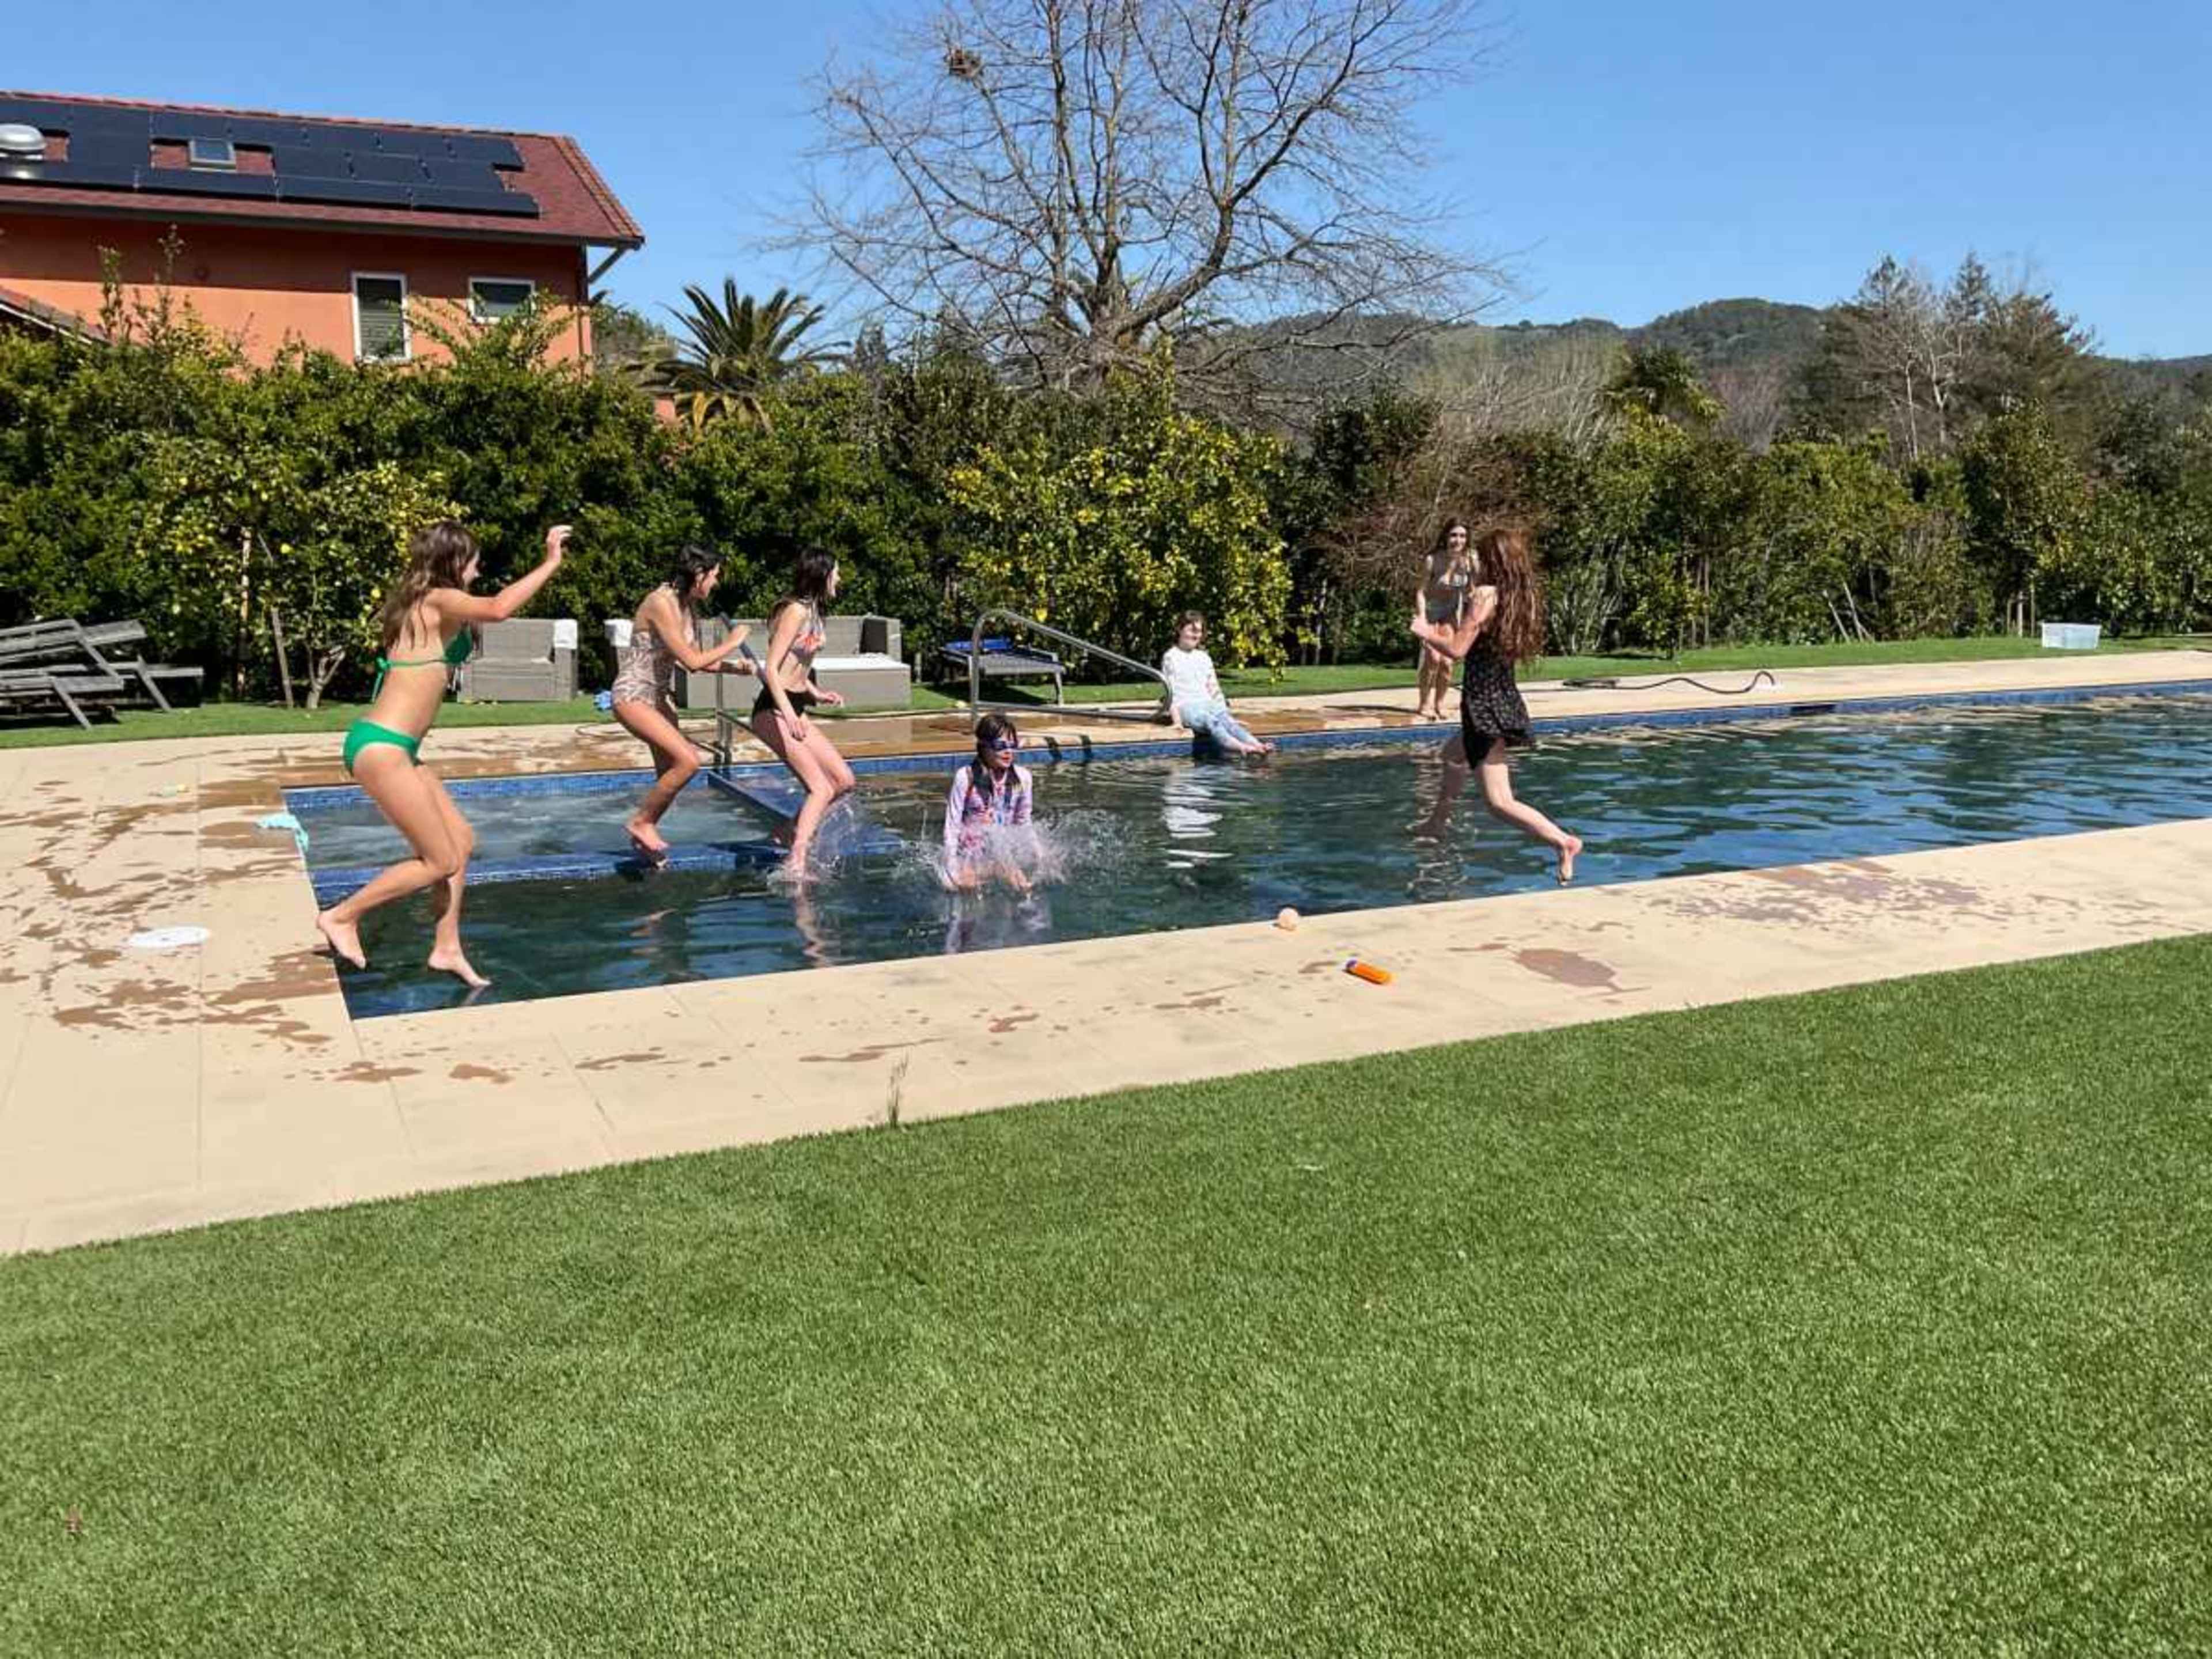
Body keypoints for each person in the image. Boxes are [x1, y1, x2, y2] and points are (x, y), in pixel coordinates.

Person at [315, 520, 568, 987]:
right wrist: (550, 562)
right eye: (474, 563)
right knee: (439, 861)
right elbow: (498, 609)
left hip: (399, 748)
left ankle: (446, 947)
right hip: (382, 747)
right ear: (454, 561)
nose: (478, 571)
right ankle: (342, 916)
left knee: (461, 842)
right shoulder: (435, 598)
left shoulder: (425, 603)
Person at [1407, 526, 1583, 884]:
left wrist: (1426, 633)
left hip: (1484, 705)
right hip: (1502, 697)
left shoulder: (1486, 595)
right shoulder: (1521, 597)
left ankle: (1562, 842)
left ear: (1492, 561)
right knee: (1451, 755)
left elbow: (1458, 650)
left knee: (1499, 802)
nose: (1474, 561)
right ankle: (1437, 822)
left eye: (1480, 556)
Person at [611, 544, 757, 865]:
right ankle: (641, 823)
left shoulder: (689, 608)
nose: (716, 583)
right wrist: (732, 642)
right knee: (689, 762)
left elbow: (701, 662)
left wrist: (735, 668)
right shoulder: (660, 603)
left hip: (660, 698)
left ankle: (643, 841)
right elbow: (691, 661)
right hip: (633, 694)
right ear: (699, 574)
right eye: (715, 575)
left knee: (669, 774)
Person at [750, 546, 854, 877]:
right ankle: (797, 860)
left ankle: (787, 831)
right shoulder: (795, 611)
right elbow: (772, 668)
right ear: (822, 574)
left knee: (843, 781)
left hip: (795, 705)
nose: (840, 578)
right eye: (836, 572)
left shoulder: (815, 612)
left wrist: (816, 693)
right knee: (821, 788)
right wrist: (789, 714)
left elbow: (798, 665)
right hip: (773, 708)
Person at [942, 713, 1036, 892]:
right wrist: (951, 867)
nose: (1008, 752)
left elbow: (1024, 822)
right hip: (970, 855)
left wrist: (1039, 854)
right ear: (984, 747)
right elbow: (952, 826)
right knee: (966, 889)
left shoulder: (1023, 778)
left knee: (1023, 888)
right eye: (1000, 746)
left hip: (1001, 855)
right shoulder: (966, 777)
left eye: (1012, 745)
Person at [1159, 612, 1272, 757]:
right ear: (1180, 629)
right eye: (1192, 631)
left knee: (1228, 722)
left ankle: (1257, 745)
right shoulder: (1171, 657)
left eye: (1199, 632)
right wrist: (1177, 722)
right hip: (1186, 706)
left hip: (1207, 704)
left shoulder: (1204, 657)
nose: (1196, 635)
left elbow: (1214, 689)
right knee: (1210, 721)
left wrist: (1226, 715)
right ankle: (1241, 748)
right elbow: (1171, 692)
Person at [1415, 518, 1475, 721]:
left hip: (1449, 614)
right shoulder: (1433, 560)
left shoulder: (1469, 561)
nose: (1458, 540)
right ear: (1446, 537)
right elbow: (1421, 591)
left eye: (1462, 536)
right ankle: (1424, 703)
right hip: (1430, 613)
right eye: (1454, 535)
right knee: (1433, 659)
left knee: (1448, 663)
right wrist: (1422, 618)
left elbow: (1470, 591)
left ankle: (1440, 704)